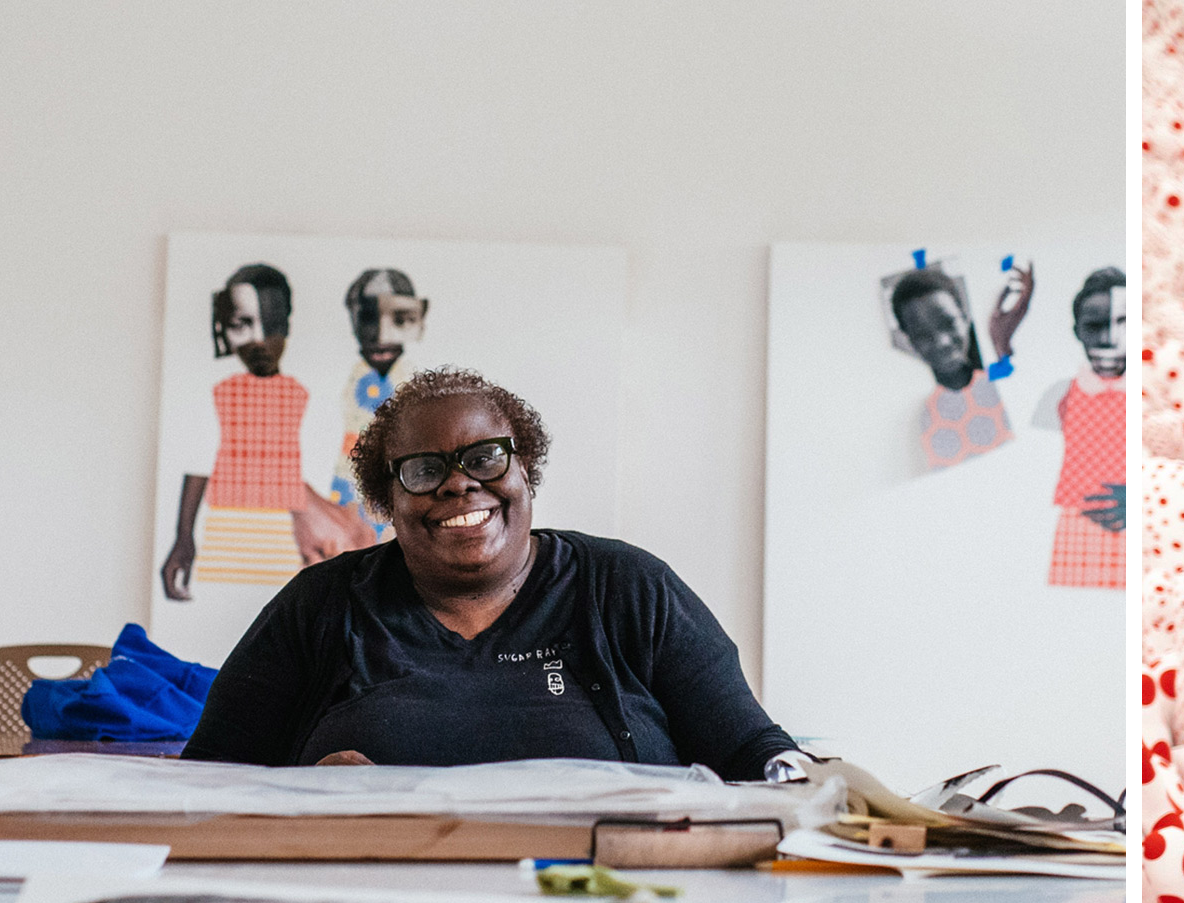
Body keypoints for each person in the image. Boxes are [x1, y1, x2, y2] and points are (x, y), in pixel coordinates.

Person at [183, 366, 807, 779]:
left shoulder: (627, 588)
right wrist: (298, 798)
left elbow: (756, 756)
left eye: (484, 458)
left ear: (523, 471)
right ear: (386, 501)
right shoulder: (321, 605)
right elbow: (204, 784)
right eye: (424, 470)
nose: (460, 483)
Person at [160, 263, 372, 602]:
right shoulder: (217, 392)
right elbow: (200, 462)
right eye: (242, 324)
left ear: (286, 325)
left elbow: (321, 476)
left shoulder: (307, 396)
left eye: (271, 324)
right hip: (225, 531)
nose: (258, 340)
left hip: (286, 538)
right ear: (224, 328)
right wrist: (183, 536)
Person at [890, 263, 1033, 471]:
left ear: (965, 317)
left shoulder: (1004, 382)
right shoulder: (923, 418)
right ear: (909, 342)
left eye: (948, 323)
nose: (942, 342)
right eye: (922, 335)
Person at [1035, 267, 1127, 588]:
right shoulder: (1060, 397)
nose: (1108, 338)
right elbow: (1031, 473)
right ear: (1077, 331)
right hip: (1079, 529)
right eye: (1094, 326)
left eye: (1121, 323)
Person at [327, 267, 429, 538]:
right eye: (369, 319)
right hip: (349, 478)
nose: (380, 335)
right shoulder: (352, 374)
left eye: (396, 319)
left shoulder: (412, 375)